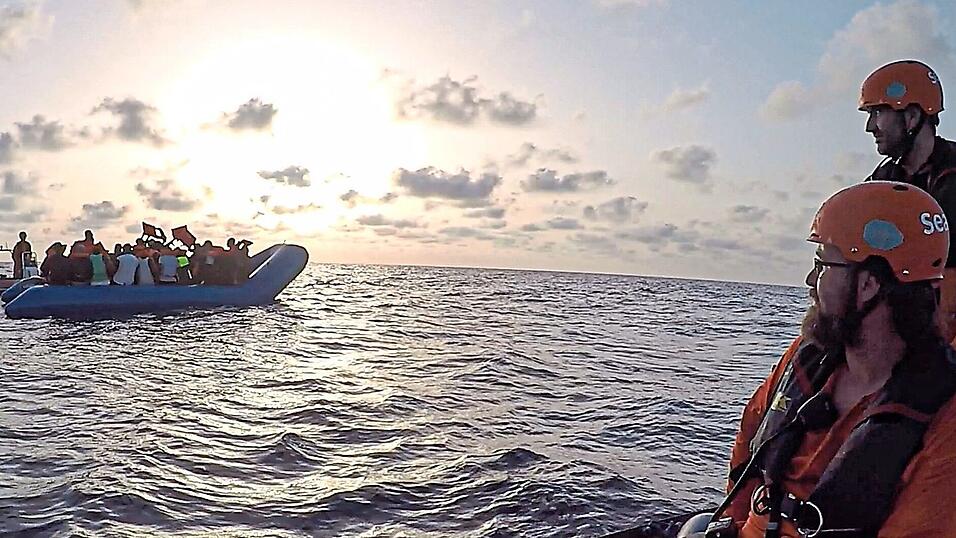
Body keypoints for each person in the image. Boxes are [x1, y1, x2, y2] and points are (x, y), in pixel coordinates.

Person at [686, 182, 956, 538]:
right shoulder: (807, 357)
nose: (811, 280)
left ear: (868, 285)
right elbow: (750, 437)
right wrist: (733, 523)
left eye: (823, 264)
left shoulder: (944, 422)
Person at [859, 60, 956, 339]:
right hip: (905, 327)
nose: (870, 127)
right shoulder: (882, 180)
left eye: (877, 113)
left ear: (912, 116)